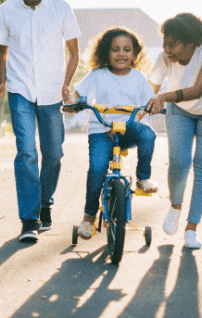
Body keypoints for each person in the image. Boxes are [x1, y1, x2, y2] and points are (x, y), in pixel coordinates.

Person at [0, 0, 81, 243]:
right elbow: (2, 53)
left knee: (53, 154)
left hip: (53, 92)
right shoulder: (7, 10)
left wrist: (66, 84)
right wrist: (2, 82)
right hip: (20, 92)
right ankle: (29, 219)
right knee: (27, 152)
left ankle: (45, 203)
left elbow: (74, 52)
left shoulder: (60, 8)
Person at [146, 13, 202, 249]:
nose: (166, 49)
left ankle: (192, 228)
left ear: (190, 42)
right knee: (179, 163)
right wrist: (134, 115)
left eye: (172, 44)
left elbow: (198, 90)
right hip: (180, 111)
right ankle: (175, 206)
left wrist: (163, 96)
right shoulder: (165, 58)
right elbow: (147, 91)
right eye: (165, 43)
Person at [67, 28, 158, 239]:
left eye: (127, 50)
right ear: (106, 53)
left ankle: (143, 178)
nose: (121, 54)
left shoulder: (139, 78)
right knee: (97, 170)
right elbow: (77, 95)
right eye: (115, 49)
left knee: (148, 135)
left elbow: (149, 102)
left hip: (127, 128)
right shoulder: (97, 75)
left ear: (135, 55)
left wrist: (151, 107)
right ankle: (88, 218)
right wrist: (73, 103)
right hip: (101, 130)